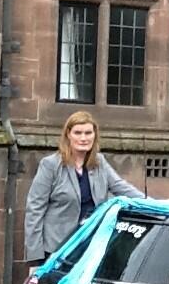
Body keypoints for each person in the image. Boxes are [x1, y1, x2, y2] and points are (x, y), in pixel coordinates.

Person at [24, 111, 144, 269]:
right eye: (78, 133)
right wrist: (35, 256)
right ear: (68, 134)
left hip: (89, 247)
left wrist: (155, 204)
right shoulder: (50, 165)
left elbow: (122, 187)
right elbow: (35, 209)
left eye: (88, 133)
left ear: (95, 135)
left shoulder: (99, 162)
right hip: (56, 250)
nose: (83, 138)